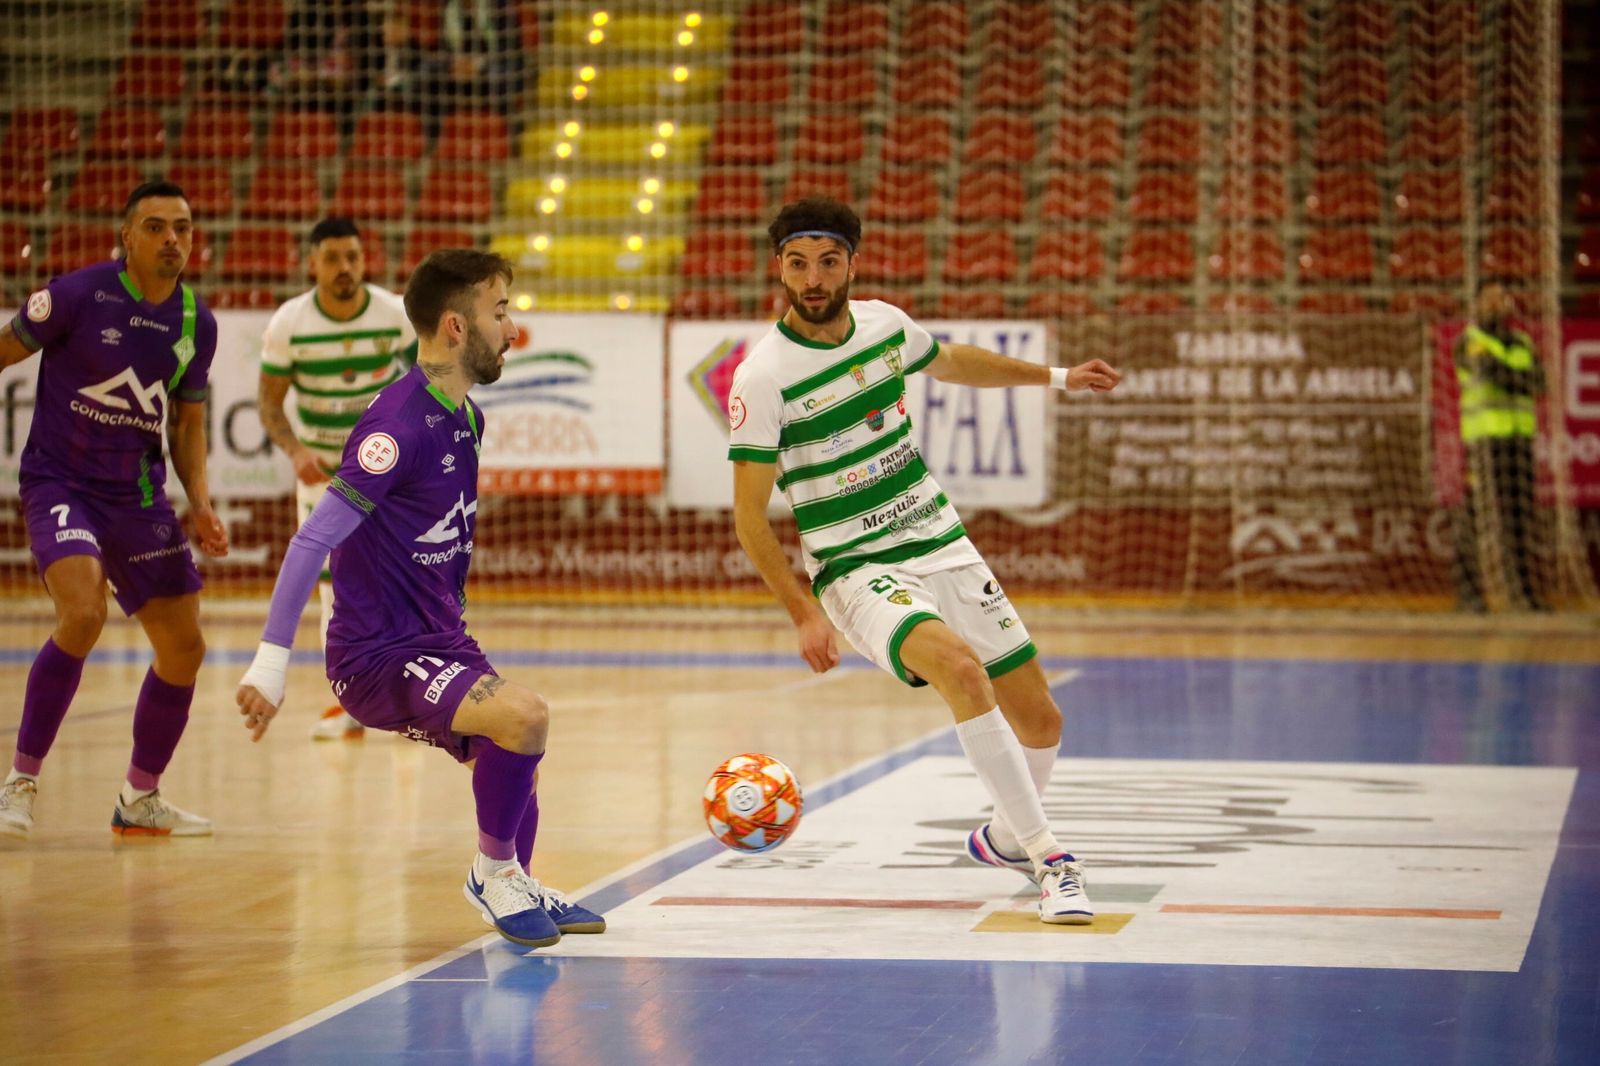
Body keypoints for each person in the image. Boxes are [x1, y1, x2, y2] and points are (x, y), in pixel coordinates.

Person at [728, 199, 1121, 925]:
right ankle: (1051, 859)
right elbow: (750, 515)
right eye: (797, 263)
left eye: (827, 261)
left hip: (939, 537)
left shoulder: (885, 325)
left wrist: (1060, 378)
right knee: (962, 671)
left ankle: (1005, 837)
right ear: (777, 268)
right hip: (854, 567)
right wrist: (803, 609)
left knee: (1041, 719)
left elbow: (956, 362)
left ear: (852, 263)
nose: (813, 278)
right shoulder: (763, 377)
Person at [235, 249, 604, 947]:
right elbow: (309, 543)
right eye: (500, 312)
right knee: (525, 717)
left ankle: (514, 876)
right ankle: (491, 876)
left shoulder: (466, 418)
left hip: (435, 639)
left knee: (513, 760)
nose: (513, 328)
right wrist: (271, 664)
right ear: (456, 328)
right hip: (376, 657)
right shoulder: (393, 430)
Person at [0, 180, 229, 840]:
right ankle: (20, 780)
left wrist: (202, 504)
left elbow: (188, 425)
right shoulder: (76, 295)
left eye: (182, 228)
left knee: (184, 649)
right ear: (127, 237)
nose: (171, 240)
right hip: (60, 482)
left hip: (136, 498)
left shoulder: (196, 322)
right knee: (83, 610)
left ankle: (139, 798)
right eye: (155, 227)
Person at [259, 217, 418, 740]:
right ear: (312, 263)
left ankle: (413, 697)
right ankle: (349, 702)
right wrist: (294, 449)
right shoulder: (290, 322)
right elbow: (269, 403)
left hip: (388, 475)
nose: (345, 267)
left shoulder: (395, 313)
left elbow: (430, 379)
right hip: (324, 477)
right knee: (330, 590)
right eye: (333, 258)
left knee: (404, 577)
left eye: (353, 256)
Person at [1453, 282, 1547, 612]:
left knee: (1519, 521)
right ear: (1478, 303)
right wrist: (1517, 379)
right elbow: (1496, 376)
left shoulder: (1522, 341)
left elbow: (1539, 382)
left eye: (1502, 297)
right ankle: (1469, 595)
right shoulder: (1470, 340)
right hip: (1483, 444)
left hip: (1518, 444)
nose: (1499, 303)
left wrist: (1516, 379)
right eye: (1491, 297)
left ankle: (1522, 593)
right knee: (1474, 518)